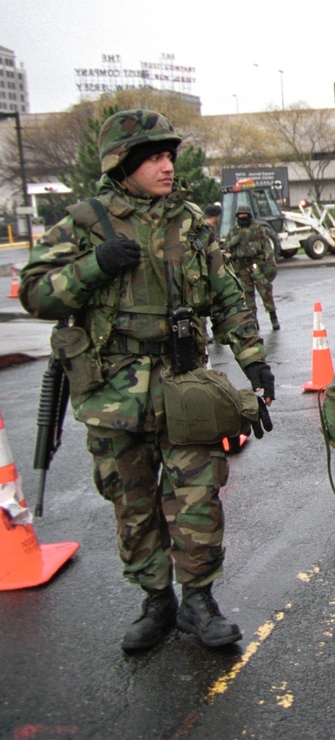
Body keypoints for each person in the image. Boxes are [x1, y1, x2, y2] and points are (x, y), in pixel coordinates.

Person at [19, 109, 276, 653]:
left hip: (183, 386)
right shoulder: (86, 224)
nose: (165, 166)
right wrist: (95, 267)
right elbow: (35, 294)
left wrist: (253, 360)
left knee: (198, 495)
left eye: (168, 156)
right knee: (133, 504)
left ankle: (199, 601)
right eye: (153, 157)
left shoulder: (188, 221)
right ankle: (157, 602)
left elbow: (227, 294)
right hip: (113, 393)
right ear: (123, 163)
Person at [223, 204, 280, 330]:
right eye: (240, 215)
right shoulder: (234, 231)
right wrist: (232, 243)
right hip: (242, 268)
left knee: (265, 291)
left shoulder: (257, 228)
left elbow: (267, 246)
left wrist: (270, 262)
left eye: (245, 215)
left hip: (257, 265)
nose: (243, 217)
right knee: (247, 296)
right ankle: (253, 321)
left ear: (249, 216)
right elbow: (225, 247)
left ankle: (273, 317)